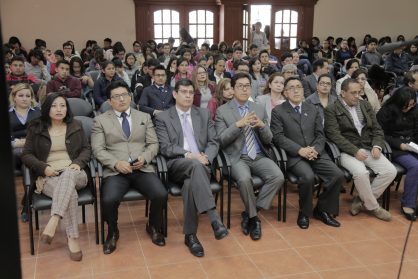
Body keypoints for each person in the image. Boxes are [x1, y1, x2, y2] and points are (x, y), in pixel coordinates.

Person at [91, 80, 168, 254]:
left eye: (124, 95)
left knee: (161, 194)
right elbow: (98, 150)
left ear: (130, 96)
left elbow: (153, 144)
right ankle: (112, 231)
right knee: (108, 199)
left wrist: (145, 158)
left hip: (142, 168)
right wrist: (116, 163)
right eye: (116, 97)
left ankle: (154, 227)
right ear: (109, 101)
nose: (121, 99)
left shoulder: (144, 117)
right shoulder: (100, 121)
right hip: (116, 171)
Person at [155, 79, 228, 257]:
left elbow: (213, 142)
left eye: (190, 92)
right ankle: (214, 219)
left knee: (189, 185)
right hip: (177, 164)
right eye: (184, 92)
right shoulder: (163, 117)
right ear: (175, 94)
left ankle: (190, 236)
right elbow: (165, 147)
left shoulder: (203, 114)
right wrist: (191, 155)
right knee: (194, 166)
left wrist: (207, 158)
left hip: (201, 165)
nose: (188, 96)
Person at [21, 92, 91, 261]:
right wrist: (43, 168)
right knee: (70, 194)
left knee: (68, 174)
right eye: (54, 106)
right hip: (48, 177)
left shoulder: (76, 125)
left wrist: (78, 163)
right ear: (47, 108)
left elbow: (86, 149)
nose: (59, 109)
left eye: (62, 105)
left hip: (75, 173)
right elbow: (26, 155)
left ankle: (54, 219)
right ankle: (73, 239)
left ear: (67, 108)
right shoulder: (35, 127)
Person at [215, 72, 284, 241]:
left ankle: (249, 213)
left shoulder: (258, 109)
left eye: (247, 86)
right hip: (237, 157)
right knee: (245, 180)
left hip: (259, 155)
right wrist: (238, 125)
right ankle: (255, 220)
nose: (245, 89)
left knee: (278, 176)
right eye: (240, 86)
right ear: (233, 88)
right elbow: (221, 140)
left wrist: (261, 126)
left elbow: (269, 139)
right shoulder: (222, 111)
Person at [271, 77, 343, 229]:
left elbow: (320, 134)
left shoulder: (312, 109)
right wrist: (300, 150)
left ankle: (322, 210)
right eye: (291, 87)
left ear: (304, 90)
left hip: (315, 153)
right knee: (308, 177)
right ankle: (304, 213)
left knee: (337, 175)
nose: (296, 90)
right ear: (285, 92)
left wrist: (315, 149)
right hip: (294, 156)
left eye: (299, 87)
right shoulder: (278, 111)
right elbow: (278, 137)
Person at [324, 79, 397, 221]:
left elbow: (377, 129)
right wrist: (354, 151)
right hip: (346, 150)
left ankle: (361, 200)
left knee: (390, 171)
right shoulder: (332, 109)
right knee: (361, 173)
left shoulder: (364, 105)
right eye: (353, 93)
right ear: (343, 93)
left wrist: (377, 145)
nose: (357, 96)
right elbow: (334, 135)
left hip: (368, 146)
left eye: (359, 92)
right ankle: (374, 207)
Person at [376, 87, 418, 220]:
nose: (409, 108)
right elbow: (379, 134)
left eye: (412, 105)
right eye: (406, 105)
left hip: (412, 145)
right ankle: (408, 204)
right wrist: (400, 144)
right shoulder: (386, 111)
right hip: (394, 147)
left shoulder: (415, 111)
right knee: (415, 166)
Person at [9, 83, 41, 222]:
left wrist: (27, 142)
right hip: (13, 152)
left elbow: (42, 133)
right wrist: (16, 143)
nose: (24, 98)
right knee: (27, 160)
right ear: (14, 97)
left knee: (27, 163)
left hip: (31, 150)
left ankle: (26, 206)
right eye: (21, 95)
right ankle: (27, 203)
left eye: (28, 96)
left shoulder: (38, 112)